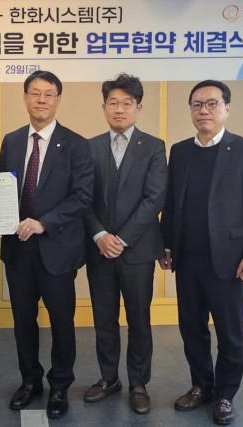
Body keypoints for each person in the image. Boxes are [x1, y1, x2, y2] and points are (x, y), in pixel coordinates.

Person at [159, 80, 243, 425]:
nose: (203, 110)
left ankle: (225, 395)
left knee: (230, 333)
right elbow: (171, 203)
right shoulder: (180, 151)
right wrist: (166, 244)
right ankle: (202, 386)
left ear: (226, 109)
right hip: (187, 259)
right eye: (197, 104)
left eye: (211, 103)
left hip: (229, 261)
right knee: (192, 329)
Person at [0, 70, 93, 419]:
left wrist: (44, 222)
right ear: (25, 97)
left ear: (58, 100)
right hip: (18, 249)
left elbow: (82, 196)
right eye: (35, 93)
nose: (41, 100)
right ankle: (30, 380)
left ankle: (60, 385)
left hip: (58, 249)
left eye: (48, 94)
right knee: (23, 320)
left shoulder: (77, 144)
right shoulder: (11, 141)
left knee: (61, 322)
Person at [82, 73, 167, 414]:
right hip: (99, 249)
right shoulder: (88, 147)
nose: (119, 109)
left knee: (138, 319)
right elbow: (82, 198)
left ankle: (139, 383)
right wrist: (100, 235)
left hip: (138, 251)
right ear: (103, 107)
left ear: (138, 107)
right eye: (113, 103)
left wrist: (122, 238)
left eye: (127, 103)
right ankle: (108, 378)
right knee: (104, 318)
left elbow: (154, 198)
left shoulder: (154, 146)